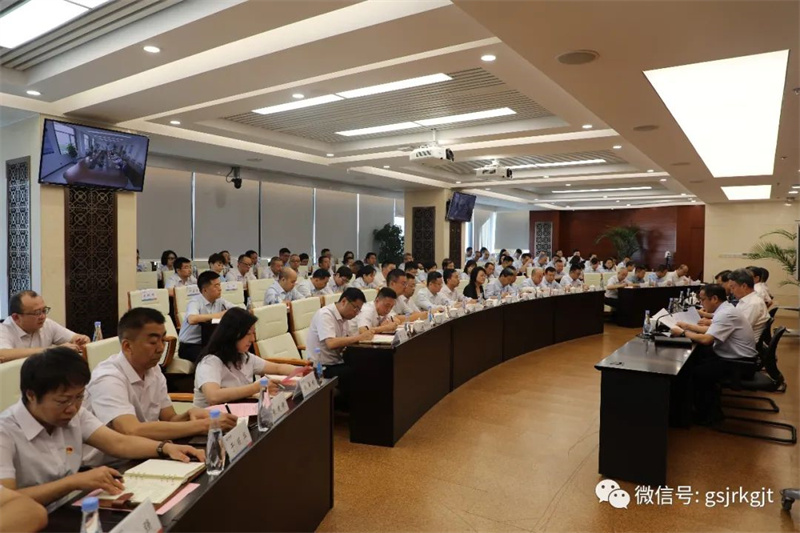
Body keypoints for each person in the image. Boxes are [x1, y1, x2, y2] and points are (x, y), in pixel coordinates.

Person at [0, 348, 203, 506]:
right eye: (62, 401)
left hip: (71, 507)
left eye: (79, 397)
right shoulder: (5, 432)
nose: (72, 408)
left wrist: (165, 448)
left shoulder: (75, 414)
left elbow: (118, 443)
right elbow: (7, 501)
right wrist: (73, 482)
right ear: (31, 395)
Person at [86, 308, 238, 441]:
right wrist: (203, 425)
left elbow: (170, 418)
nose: (161, 348)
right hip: (111, 461)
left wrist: (188, 415)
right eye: (153, 342)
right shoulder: (108, 378)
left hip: (145, 449)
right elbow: (131, 430)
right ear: (127, 346)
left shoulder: (153, 370)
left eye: (163, 340)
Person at [670, 285, 758, 424]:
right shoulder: (725, 309)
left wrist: (682, 333)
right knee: (697, 359)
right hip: (737, 358)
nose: (701, 303)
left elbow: (707, 339)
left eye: (703, 299)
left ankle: (708, 416)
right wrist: (688, 326)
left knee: (696, 372)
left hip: (740, 364)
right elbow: (712, 330)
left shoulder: (726, 314)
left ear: (715, 299)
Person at [193, 308, 301, 408]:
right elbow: (213, 396)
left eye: (253, 333)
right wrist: (257, 387)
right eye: (248, 334)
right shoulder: (209, 362)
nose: (252, 339)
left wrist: (302, 372)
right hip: (212, 419)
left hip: (240, 410)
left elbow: (278, 368)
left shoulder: (244, 356)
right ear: (232, 334)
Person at [307, 289, 374, 410]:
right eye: (356, 308)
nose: (356, 313)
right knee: (357, 373)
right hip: (322, 367)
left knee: (368, 365)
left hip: (337, 361)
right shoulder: (325, 315)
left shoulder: (344, 319)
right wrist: (359, 337)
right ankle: (353, 412)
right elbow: (331, 343)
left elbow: (344, 342)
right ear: (344, 301)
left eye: (359, 310)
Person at [0, 291, 89, 363]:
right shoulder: (4, 329)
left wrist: (80, 340)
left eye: (44, 310)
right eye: (37, 313)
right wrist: (52, 351)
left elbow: (73, 338)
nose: (43, 316)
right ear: (16, 317)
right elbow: (3, 354)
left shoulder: (46, 324)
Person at [177, 271, 235, 363]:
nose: (220, 289)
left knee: (233, 353)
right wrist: (219, 315)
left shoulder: (220, 301)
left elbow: (237, 310)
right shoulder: (195, 302)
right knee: (211, 361)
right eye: (216, 286)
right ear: (204, 290)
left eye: (219, 285)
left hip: (209, 343)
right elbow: (192, 319)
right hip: (190, 346)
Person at [727, 269, 769, 340]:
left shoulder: (753, 304)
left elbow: (740, 329)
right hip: (738, 339)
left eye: (733, 287)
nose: (731, 291)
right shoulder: (745, 300)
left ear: (744, 286)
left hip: (742, 343)